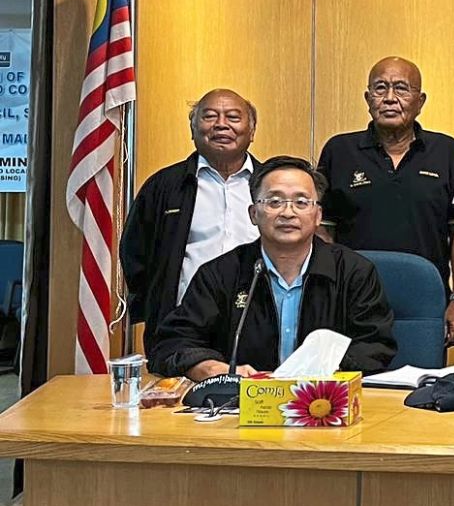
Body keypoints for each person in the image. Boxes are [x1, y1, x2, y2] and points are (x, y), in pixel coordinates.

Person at [148, 156, 396, 380]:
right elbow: (171, 343)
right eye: (274, 201)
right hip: (238, 412)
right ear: (254, 213)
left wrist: (323, 369)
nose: (288, 212)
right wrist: (212, 368)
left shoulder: (353, 272)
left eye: (301, 202)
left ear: (318, 215)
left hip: (325, 408)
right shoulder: (220, 274)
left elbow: (376, 346)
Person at [317, 56, 454, 347]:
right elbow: (322, 230)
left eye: (401, 89)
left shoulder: (447, 151)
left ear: (420, 100)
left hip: (424, 302)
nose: (390, 98)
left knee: (420, 387)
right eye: (380, 88)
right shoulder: (339, 150)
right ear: (367, 98)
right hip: (351, 300)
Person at [120, 88, 261, 339]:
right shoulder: (164, 186)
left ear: (252, 131)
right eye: (209, 116)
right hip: (184, 322)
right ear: (192, 129)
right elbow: (135, 252)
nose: (221, 125)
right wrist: (153, 308)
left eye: (233, 117)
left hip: (259, 321)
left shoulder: (271, 184)